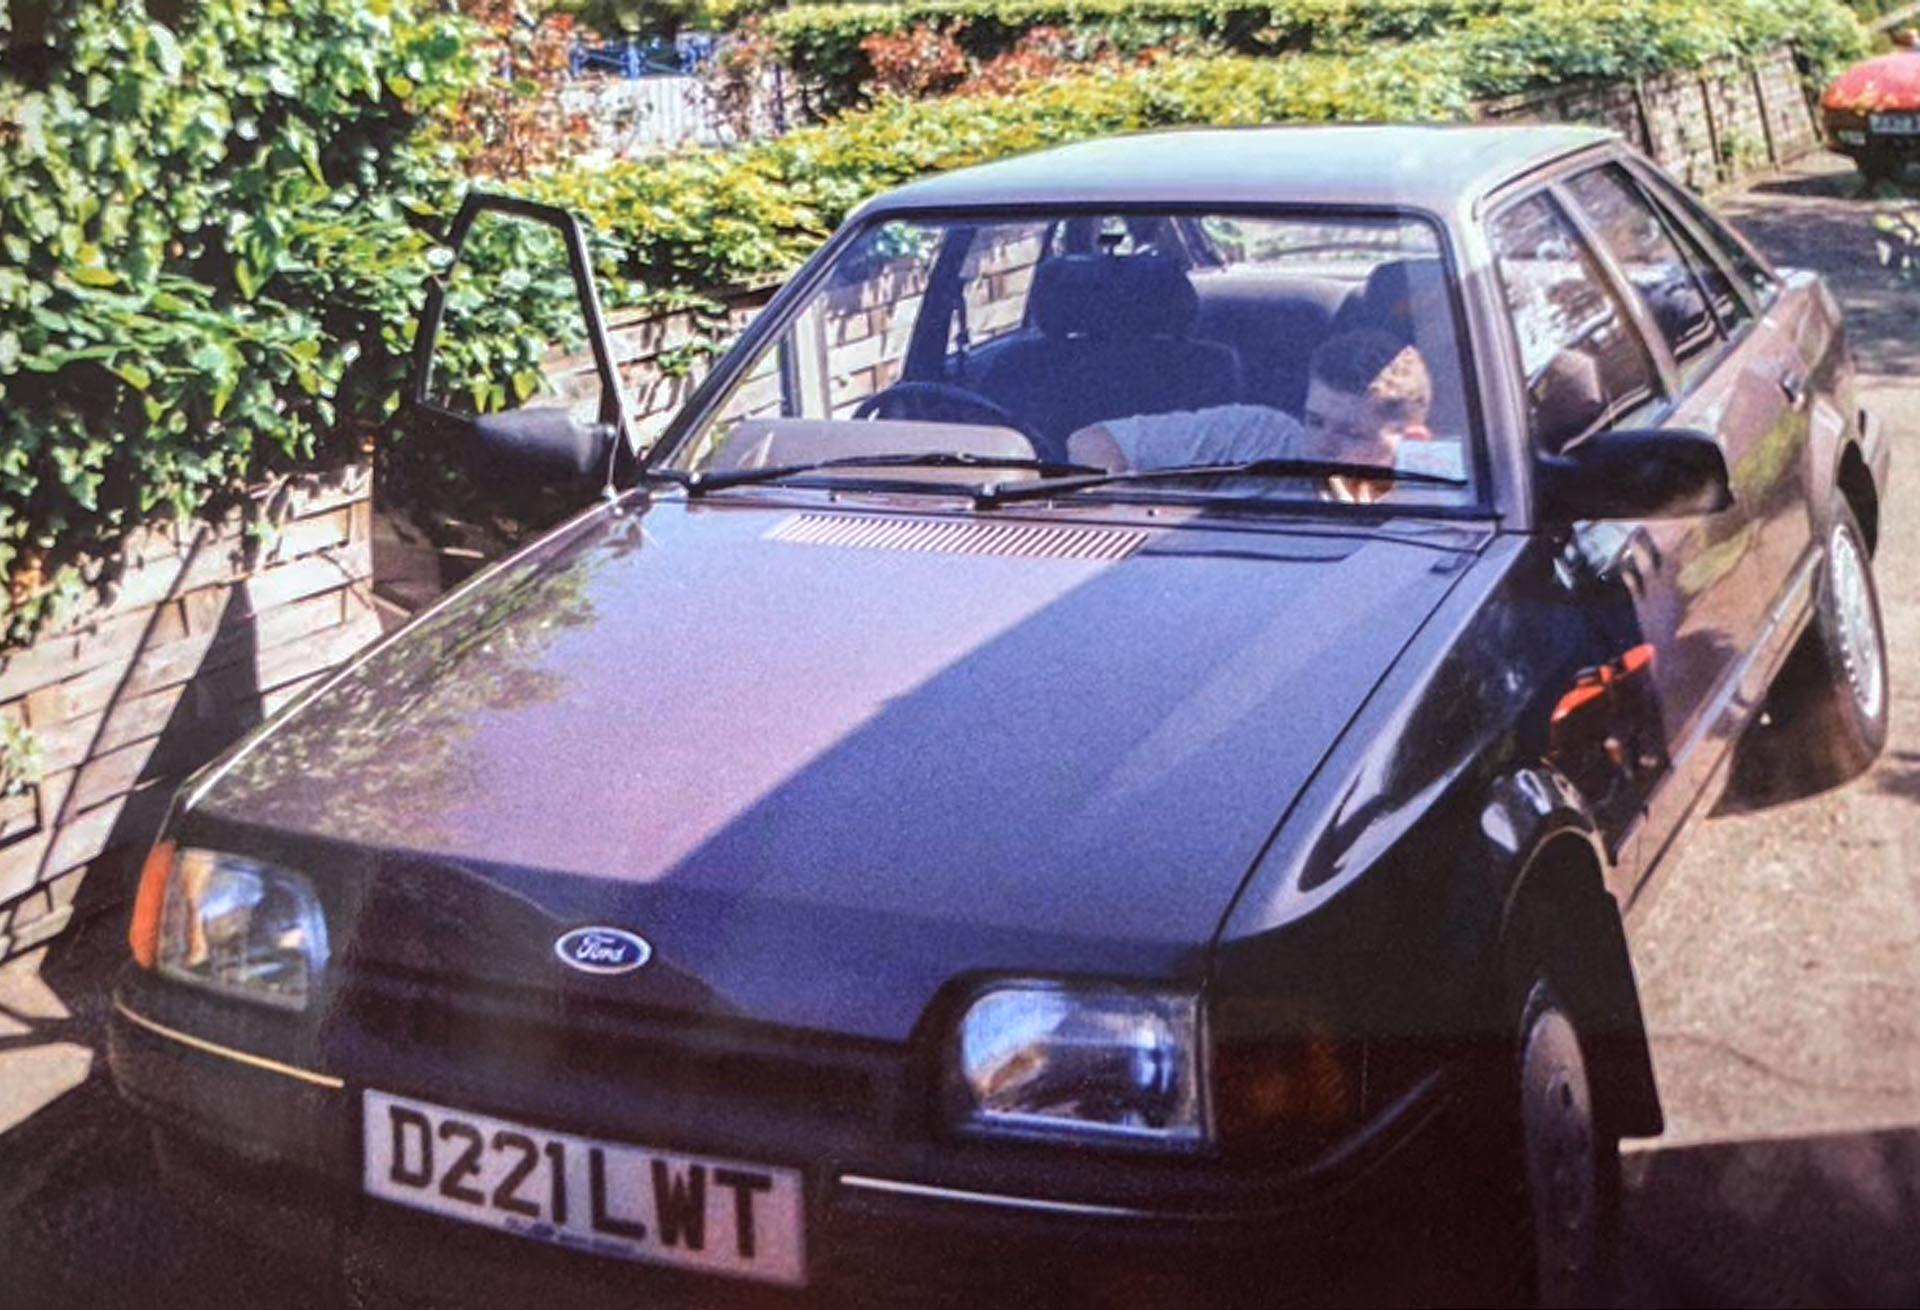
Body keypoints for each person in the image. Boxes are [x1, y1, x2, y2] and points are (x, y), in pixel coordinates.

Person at [1298, 328, 1434, 503]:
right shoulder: (1270, 472)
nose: (1322, 446)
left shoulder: (1445, 515)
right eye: (1315, 422)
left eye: (1352, 433)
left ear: (1412, 443)